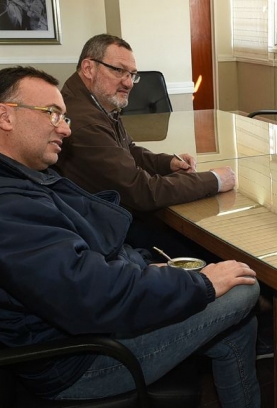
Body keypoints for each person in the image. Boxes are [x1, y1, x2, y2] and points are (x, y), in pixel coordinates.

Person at [0, 66, 268, 408]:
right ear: (5, 115)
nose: (65, 128)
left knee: (231, 318)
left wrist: (148, 269)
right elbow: (91, 296)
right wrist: (202, 282)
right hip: (78, 362)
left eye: (65, 116)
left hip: (65, 332)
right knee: (243, 289)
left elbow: (76, 267)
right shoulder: (2, 208)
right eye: (52, 114)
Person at [53, 34, 235, 251]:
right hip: (107, 229)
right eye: (118, 70)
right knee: (211, 245)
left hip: (107, 214)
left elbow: (127, 150)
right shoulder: (86, 121)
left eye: (132, 75)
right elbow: (143, 192)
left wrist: (167, 163)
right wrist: (213, 180)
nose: (128, 83)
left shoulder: (93, 102)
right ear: (88, 68)